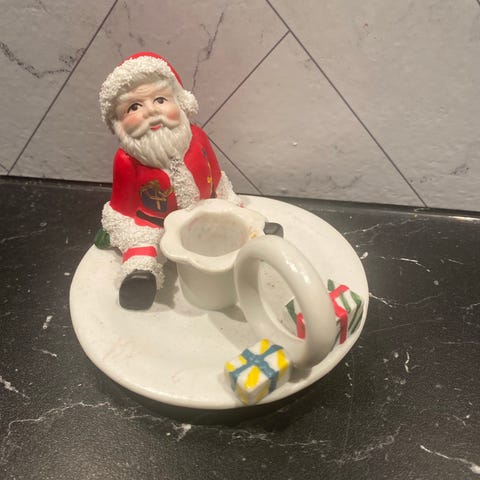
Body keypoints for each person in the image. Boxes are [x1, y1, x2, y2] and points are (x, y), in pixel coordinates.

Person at [98, 51, 239, 310]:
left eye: (160, 99)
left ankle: (255, 239)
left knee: (233, 222)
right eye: (134, 106)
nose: (151, 111)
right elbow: (122, 208)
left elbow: (217, 175)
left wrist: (228, 201)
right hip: (154, 223)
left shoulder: (198, 138)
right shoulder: (126, 161)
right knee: (143, 243)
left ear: (182, 103)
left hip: (205, 208)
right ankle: (140, 276)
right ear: (118, 122)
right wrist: (124, 229)